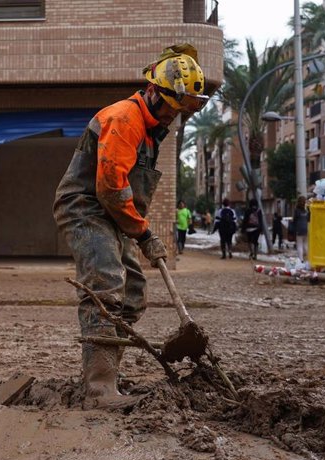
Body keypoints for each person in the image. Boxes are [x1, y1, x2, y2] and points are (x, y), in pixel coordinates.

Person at [53, 44, 208, 410]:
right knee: (105, 282)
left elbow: (126, 192)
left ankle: (107, 370)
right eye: (173, 108)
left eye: (182, 111)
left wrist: (139, 232)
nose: (175, 117)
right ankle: (100, 389)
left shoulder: (152, 127)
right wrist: (144, 234)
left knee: (134, 289)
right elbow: (109, 188)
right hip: (86, 206)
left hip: (111, 213)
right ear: (154, 91)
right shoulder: (125, 119)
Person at [293, 196, 310, 262]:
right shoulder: (306, 210)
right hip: (306, 229)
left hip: (299, 229)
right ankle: (308, 259)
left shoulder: (297, 210)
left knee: (299, 244)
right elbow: (309, 219)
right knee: (306, 244)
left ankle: (301, 259)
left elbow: (295, 220)